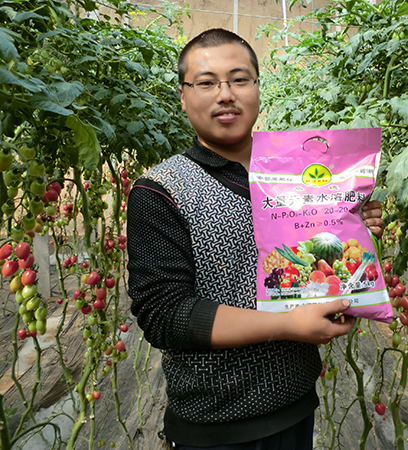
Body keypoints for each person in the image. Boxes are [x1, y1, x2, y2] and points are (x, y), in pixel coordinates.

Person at [126, 28, 384, 450]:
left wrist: (351, 226)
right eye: (207, 82)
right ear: (183, 96)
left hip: (297, 404)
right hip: (215, 427)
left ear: (258, 89)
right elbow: (164, 314)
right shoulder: (161, 189)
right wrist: (286, 325)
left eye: (239, 79)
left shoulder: (296, 179)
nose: (226, 94)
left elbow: (316, 267)